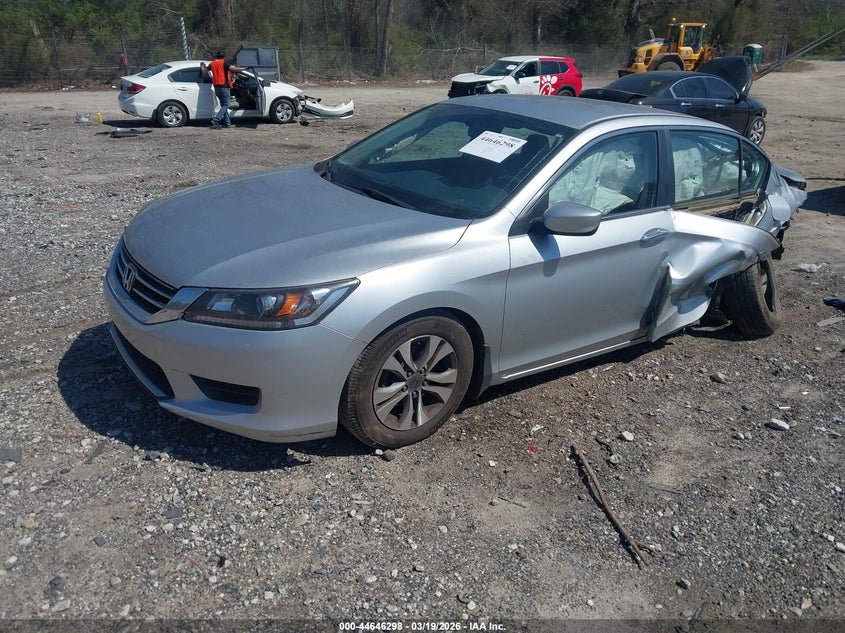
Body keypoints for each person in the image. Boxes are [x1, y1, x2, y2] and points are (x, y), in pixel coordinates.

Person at [201, 51, 246, 129]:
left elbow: (204, 71)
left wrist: (202, 65)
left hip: (216, 87)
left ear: (216, 56)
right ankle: (216, 120)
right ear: (224, 57)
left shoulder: (212, 63)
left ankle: (228, 124)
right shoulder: (224, 63)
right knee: (226, 105)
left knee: (223, 106)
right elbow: (234, 69)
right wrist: (245, 68)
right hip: (223, 87)